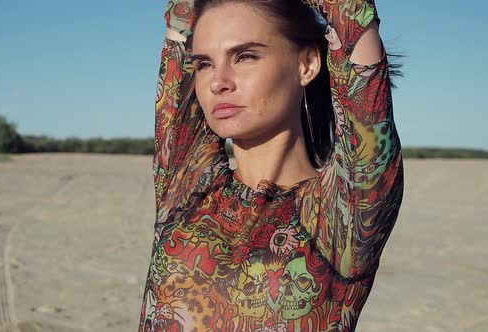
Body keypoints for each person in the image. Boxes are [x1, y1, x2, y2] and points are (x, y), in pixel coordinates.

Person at [140, 0, 404, 330]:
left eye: (245, 56)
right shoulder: (185, 185)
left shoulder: (344, 214)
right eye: (204, 64)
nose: (217, 81)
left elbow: (352, 20)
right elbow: (181, 18)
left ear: (306, 64)